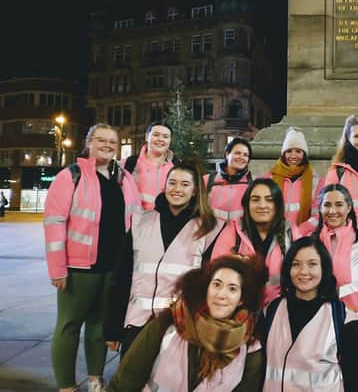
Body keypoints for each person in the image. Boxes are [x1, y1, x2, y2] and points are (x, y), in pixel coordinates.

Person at [43, 124, 140, 392]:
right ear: (89, 143)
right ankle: (66, 385)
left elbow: (138, 217)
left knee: (100, 324)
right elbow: (54, 222)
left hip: (114, 266)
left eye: (112, 141)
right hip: (79, 268)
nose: (108, 145)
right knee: (69, 325)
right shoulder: (70, 176)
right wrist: (57, 268)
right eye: (101, 140)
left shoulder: (124, 179)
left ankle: (95, 378)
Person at [104, 160, 224, 356]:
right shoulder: (140, 222)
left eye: (185, 184)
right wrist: (112, 327)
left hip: (179, 326)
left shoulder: (208, 230)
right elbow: (120, 278)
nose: (177, 189)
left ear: (194, 191)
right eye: (172, 182)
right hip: (137, 324)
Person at [108, 255, 268, 392]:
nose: (221, 295)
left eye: (232, 289)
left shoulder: (249, 348)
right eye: (216, 284)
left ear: (242, 299)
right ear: (206, 288)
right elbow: (126, 380)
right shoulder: (168, 325)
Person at [262, 236, 358, 391]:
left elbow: (356, 382)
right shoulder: (272, 311)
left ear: (324, 269)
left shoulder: (342, 318)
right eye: (296, 264)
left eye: (312, 264)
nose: (304, 271)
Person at [210, 178, 299, 304]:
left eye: (269, 200)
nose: (262, 205)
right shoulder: (232, 232)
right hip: (239, 309)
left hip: (281, 308)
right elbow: (215, 272)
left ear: (278, 205)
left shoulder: (291, 233)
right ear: (246, 204)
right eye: (255, 199)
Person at [312, 183, 358, 322]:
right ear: (319, 208)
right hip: (319, 323)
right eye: (327, 205)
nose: (332, 211)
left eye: (339, 204)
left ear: (349, 207)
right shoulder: (310, 243)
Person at [265, 126, 324, 235]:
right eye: (289, 151)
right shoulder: (270, 178)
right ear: (283, 154)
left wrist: (299, 231)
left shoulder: (316, 181)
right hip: (273, 235)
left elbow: (318, 214)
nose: (293, 156)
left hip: (302, 237)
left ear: (304, 154)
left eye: (298, 151)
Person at [122, 122, 174, 211]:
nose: (161, 139)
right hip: (135, 221)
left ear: (170, 140)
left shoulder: (176, 166)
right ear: (147, 137)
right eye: (156, 135)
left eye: (165, 136)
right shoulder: (129, 163)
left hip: (166, 222)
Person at [204, 137, 253, 223]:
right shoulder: (207, 180)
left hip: (241, 234)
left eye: (246, 155)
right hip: (211, 234)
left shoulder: (253, 183)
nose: (241, 157)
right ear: (227, 154)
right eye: (238, 153)